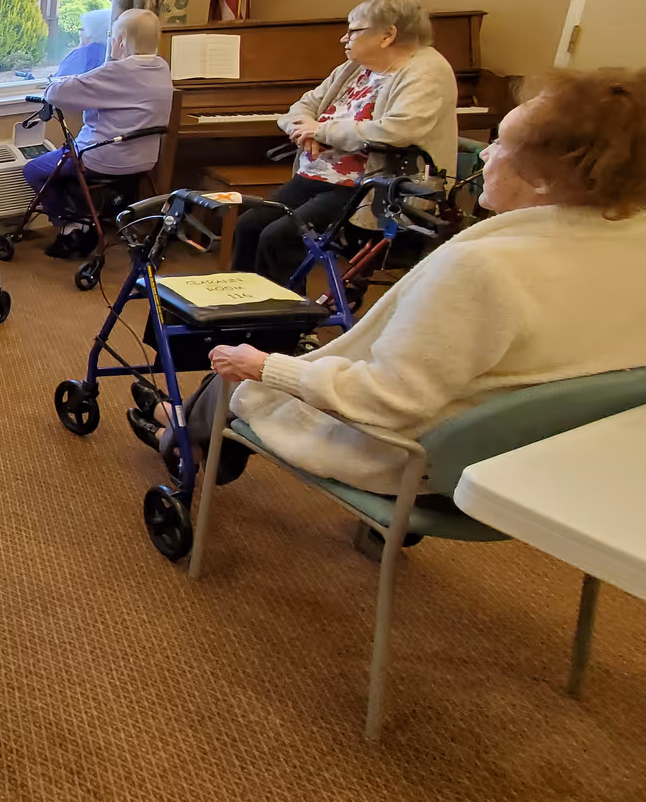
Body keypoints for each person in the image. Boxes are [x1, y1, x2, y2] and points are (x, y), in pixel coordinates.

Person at [136, 69, 646, 495]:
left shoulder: (483, 268)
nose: (483, 155)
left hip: (421, 453)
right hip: (544, 454)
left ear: (544, 177)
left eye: (500, 144)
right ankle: (184, 416)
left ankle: (180, 432)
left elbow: (386, 401)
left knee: (238, 372)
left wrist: (267, 366)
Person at [233, 0, 458, 283]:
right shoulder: (356, 67)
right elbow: (301, 107)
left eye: (353, 30)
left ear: (388, 35)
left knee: (280, 237)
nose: (344, 38)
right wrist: (305, 129)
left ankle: (284, 312)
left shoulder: (426, 71)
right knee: (249, 225)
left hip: (367, 185)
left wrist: (321, 131)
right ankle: (238, 304)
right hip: (318, 173)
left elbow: (399, 130)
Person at [23, 9, 174, 258]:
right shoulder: (161, 67)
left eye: (112, 37)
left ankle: (74, 227)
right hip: (144, 160)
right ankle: (87, 217)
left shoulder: (117, 71)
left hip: (103, 158)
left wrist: (61, 81)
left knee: (35, 170)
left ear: (121, 41)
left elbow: (56, 93)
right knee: (68, 172)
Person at [54, 7, 111, 78]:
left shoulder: (83, 54)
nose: (80, 32)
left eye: (82, 28)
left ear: (90, 34)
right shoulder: (112, 54)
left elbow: (60, 80)